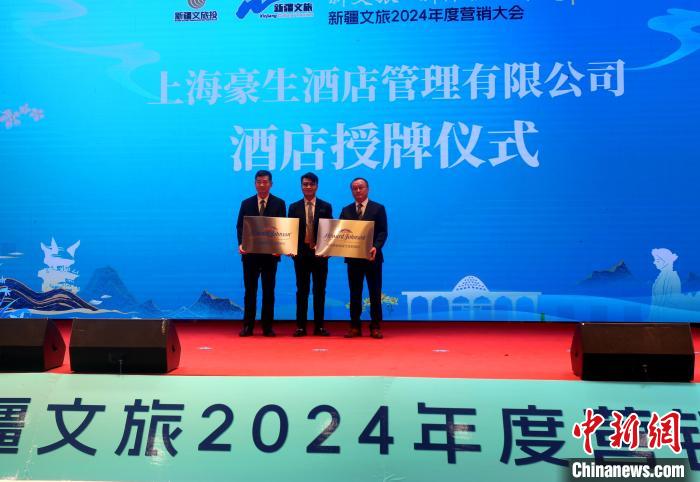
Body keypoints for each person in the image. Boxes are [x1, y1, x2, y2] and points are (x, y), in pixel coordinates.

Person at [236, 170, 286, 337]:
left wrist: (280, 248)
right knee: (250, 291)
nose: (262, 185)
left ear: (271, 184)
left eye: (265, 182)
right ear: (255, 184)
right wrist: (241, 244)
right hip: (250, 255)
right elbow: (240, 226)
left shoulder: (279, 203)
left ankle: (267, 327)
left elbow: (283, 228)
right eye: (259, 182)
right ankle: (248, 326)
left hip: (270, 256)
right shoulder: (246, 203)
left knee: (268, 291)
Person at [340, 177, 388, 339]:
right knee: (355, 293)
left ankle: (375, 326)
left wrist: (376, 246)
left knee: (375, 292)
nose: (358, 190)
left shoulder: (378, 208)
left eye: (361, 187)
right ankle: (355, 326)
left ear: (368, 189)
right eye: (354, 188)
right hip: (353, 259)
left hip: (372, 258)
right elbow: (339, 233)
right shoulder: (346, 210)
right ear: (351, 191)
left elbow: (383, 232)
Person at [288, 173, 333, 337]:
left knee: (320, 291)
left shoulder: (325, 206)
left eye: (311, 184)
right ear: (301, 186)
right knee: (302, 290)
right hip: (301, 256)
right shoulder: (294, 207)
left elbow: (330, 231)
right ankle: (300, 326)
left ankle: (319, 326)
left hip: (319, 255)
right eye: (305, 184)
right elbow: (290, 231)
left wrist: (328, 250)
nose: (308, 187)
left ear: (316, 186)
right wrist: (289, 248)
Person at [650, 248, 682, 320]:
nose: (654, 262)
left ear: (665, 262)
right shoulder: (661, 277)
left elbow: (673, 303)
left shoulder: (673, 277)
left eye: (657, 260)